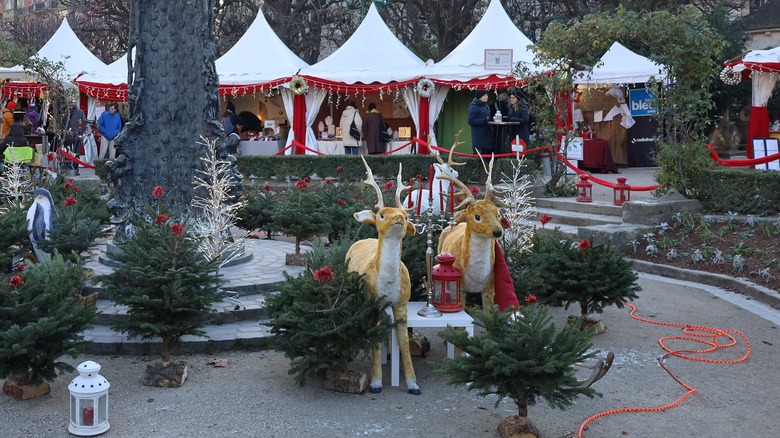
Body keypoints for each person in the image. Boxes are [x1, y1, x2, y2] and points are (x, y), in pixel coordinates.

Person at [467, 90, 492, 154]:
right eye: (484, 95)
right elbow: (471, 121)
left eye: (486, 95)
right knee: (478, 158)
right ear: (479, 97)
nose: (487, 97)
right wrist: (484, 120)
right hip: (479, 138)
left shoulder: (486, 106)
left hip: (487, 137)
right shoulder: (473, 107)